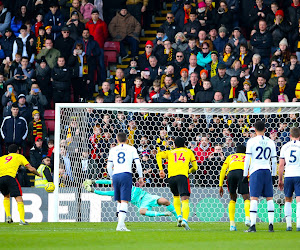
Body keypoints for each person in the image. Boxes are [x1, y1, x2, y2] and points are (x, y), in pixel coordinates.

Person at [156, 137, 198, 230]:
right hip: (182, 176)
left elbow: (158, 155)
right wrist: (189, 171)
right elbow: (195, 167)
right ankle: (185, 220)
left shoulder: (170, 152)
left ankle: (178, 216)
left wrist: (161, 170)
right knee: (185, 199)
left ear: (174, 145)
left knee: (176, 196)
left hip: (171, 178)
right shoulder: (188, 151)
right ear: (184, 144)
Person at [243, 120, 277, 233]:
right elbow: (274, 159)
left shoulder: (251, 141)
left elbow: (247, 158)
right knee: (269, 198)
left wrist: (244, 174)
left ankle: (253, 225)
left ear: (255, 129)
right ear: (265, 130)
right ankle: (271, 225)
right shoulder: (271, 141)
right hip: (267, 170)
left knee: (254, 198)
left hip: (255, 172)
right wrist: (274, 174)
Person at [106, 132, 144, 231]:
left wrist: (111, 178)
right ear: (126, 139)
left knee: (119, 200)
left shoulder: (113, 149)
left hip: (115, 175)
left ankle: (121, 225)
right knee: (124, 201)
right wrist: (140, 177)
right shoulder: (131, 149)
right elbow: (138, 163)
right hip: (126, 174)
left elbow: (109, 166)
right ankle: (120, 225)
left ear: (117, 140)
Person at [83, 179, 177, 218]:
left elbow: (108, 181)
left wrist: (93, 181)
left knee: (165, 201)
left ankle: (178, 218)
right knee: (142, 212)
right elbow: (104, 193)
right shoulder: (118, 192)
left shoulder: (125, 183)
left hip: (147, 196)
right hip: (141, 204)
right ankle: (163, 214)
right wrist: (93, 190)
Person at [0, 144, 42, 225]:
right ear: (17, 151)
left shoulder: (1, 158)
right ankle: (22, 220)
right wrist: (38, 174)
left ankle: (8, 217)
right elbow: (30, 168)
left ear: (8, 152)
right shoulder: (19, 156)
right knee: (19, 199)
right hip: (10, 177)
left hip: (1, 178)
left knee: (6, 196)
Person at [219, 144, 250, 231]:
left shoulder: (230, 157)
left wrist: (220, 185)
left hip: (231, 174)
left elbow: (223, 170)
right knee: (246, 197)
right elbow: (251, 169)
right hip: (242, 173)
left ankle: (232, 225)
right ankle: (247, 218)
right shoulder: (247, 157)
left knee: (232, 198)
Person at [278, 127, 300, 231]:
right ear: (299, 136)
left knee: (288, 200)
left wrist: (280, 179)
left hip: (288, 176)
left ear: (290, 136)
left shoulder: (285, 147)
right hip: (299, 175)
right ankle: (299, 225)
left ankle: (288, 225)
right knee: (299, 200)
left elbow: (281, 165)